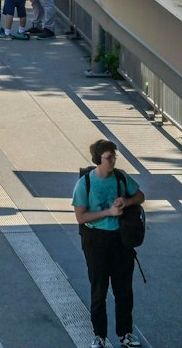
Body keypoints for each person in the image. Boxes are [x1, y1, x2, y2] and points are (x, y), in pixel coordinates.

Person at [73, 138, 145, 348]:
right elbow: (81, 216)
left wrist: (127, 201)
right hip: (96, 240)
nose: (113, 161)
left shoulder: (121, 178)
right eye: (108, 157)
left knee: (124, 289)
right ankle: (99, 335)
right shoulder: (84, 184)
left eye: (114, 156)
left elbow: (140, 195)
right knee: (99, 289)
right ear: (98, 159)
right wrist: (109, 212)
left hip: (120, 239)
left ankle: (126, 333)